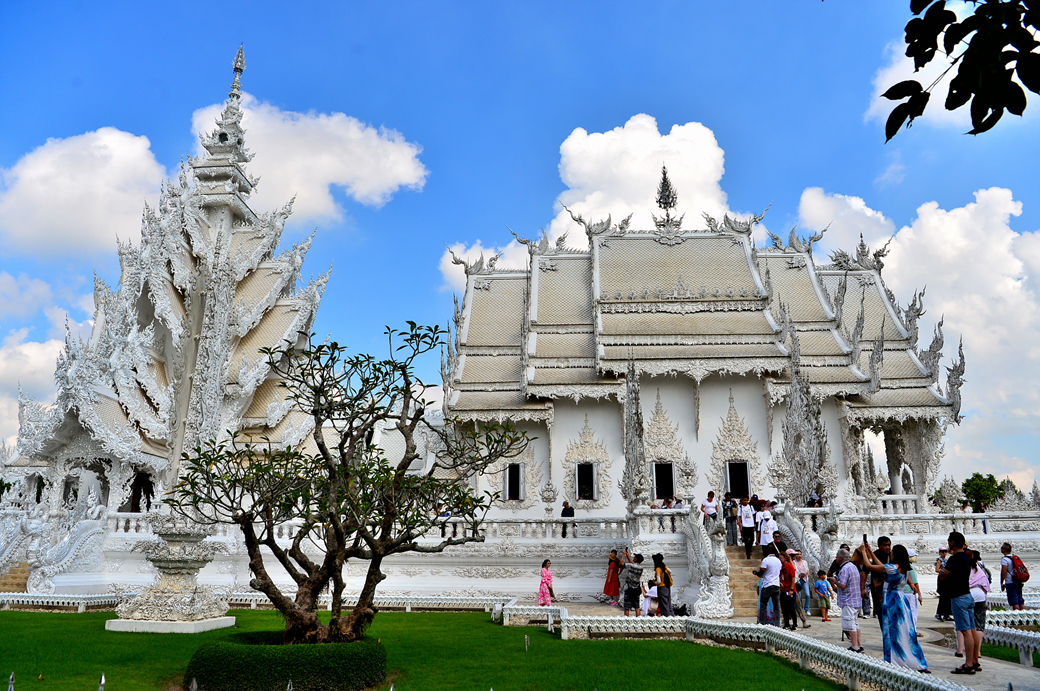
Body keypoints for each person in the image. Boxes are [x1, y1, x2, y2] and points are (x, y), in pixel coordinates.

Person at [860, 542, 930, 672]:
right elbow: (881, 565)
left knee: (891, 631)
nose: (890, 553)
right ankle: (915, 660)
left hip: (892, 601)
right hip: (901, 600)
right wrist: (870, 551)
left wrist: (863, 552)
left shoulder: (893, 568)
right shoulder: (904, 568)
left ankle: (895, 661)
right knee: (905, 631)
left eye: (892, 552)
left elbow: (870, 566)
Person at [939, 531, 979, 675]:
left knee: (965, 631)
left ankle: (968, 664)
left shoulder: (954, 559)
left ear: (953, 542)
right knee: (972, 629)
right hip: (967, 595)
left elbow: (943, 576)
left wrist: (943, 572)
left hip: (958, 597)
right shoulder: (966, 557)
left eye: (949, 541)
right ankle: (975, 660)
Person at [830, 547, 863, 652]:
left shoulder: (845, 569)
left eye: (837, 556)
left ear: (840, 557)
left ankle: (855, 646)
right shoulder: (853, 566)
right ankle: (859, 645)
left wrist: (834, 581)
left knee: (850, 624)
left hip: (848, 600)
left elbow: (842, 585)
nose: (836, 558)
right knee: (855, 623)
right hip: (856, 600)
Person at [968, 549, 990, 668]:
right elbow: (986, 584)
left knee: (969, 626)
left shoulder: (965, 568)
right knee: (979, 625)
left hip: (968, 595)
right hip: (980, 595)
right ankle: (978, 652)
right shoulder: (979, 569)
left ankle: (968, 652)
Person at [865, 536, 892, 631]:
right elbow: (865, 571)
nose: (887, 547)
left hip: (891, 590)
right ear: (879, 545)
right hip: (878, 589)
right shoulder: (874, 555)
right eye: (885, 545)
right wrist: (862, 588)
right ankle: (885, 633)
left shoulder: (892, 556)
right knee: (881, 612)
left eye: (889, 545)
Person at [754, 544, 782, 627]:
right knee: (776, 606)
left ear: (767, 551)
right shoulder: (778, 561)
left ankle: (762, 623)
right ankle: (777, 624)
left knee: (763, 605)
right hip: (776, 585)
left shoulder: (766, 560)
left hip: (767, 585)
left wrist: (756, 573)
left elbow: (761, 573)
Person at [1000, 542, 1026, 610]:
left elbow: (1004, 572)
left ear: (1004, 550)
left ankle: (1016, 614)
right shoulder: (1014, 557)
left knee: (1014, 601)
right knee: (1020, 600)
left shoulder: (1005, 560)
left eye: (1002, 548)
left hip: (1010, 582)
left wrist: (1002, 582)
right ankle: (1023, 614)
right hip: (1018, 581)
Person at [619, 549, 645, 617]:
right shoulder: (641, 568)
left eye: (635, 557)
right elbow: (633, 564)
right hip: (636, 589)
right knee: (637, 606)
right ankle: (638, 620)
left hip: (629, 588)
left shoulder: (631, 566)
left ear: (636, 559)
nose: (634, 557)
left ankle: (627, 621)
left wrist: (623, 555)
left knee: (627, 606)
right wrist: (628, 557)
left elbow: (621, 564)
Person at [778, 549, 799, 630]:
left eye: (781, 558)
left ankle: (795, 624)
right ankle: (786, 624)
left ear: (785, 558)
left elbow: (793, 578)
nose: (779, 559)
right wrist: (780, 583)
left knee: (791, 608)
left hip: (790, 590)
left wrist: (791, 589)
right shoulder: (780, 567)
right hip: (783, 590)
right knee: (784, 608)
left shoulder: (789, 567)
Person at [792, 550, 811, 629]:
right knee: (793, 603)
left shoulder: (804, 562)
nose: (798, 555)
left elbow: (807, 570)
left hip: (801, 581)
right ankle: (787, 621)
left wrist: (806, 574)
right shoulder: (792, 563)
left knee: (806, 595)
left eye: (800, 554)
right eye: (797, 554)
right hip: (794, 583)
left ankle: (806, 612)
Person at [904, 549, 923, 627]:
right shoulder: (910, 567)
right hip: (910, 592)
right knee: (912, 612)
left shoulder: (902, 566)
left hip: (903, 592)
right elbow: (915, 582)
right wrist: (920, 595)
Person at [934, 547, 952, 621]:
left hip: (947, 578)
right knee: (943, 596)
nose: (944, 553)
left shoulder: (946, 560)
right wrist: (943, 571)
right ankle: (939, 613)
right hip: (942, 578)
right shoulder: (940, 560)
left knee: (947, 596)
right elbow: (937, 569)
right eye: (942, 552)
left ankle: (946, 614)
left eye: (945, 551)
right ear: (940, 553)